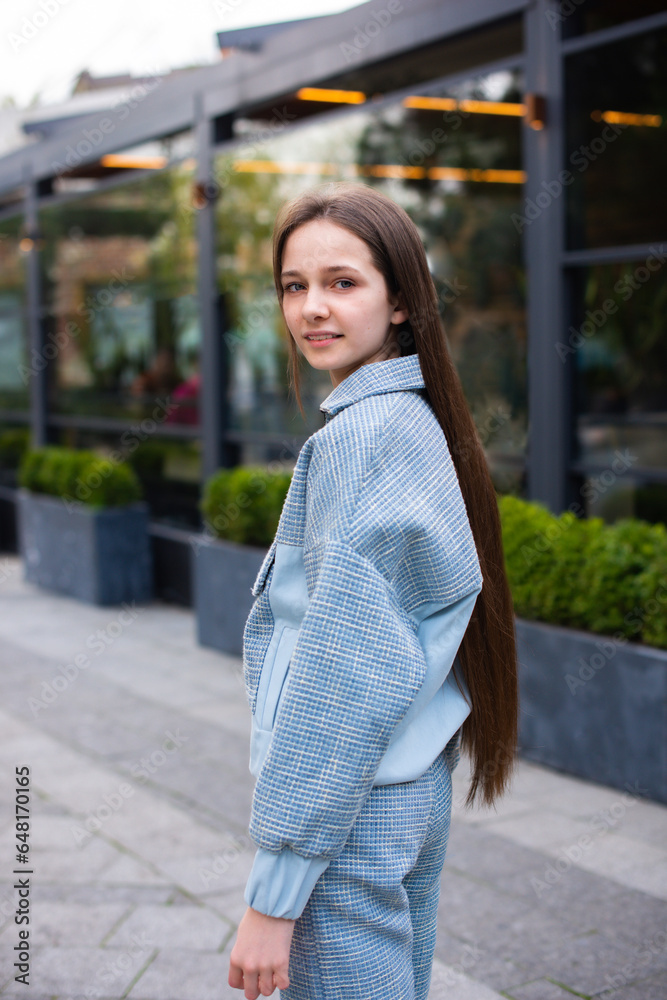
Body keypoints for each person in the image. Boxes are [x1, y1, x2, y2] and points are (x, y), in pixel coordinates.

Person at [228, 182, 518, 1000]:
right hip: (401, 788)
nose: (312, 308)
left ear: (400, 301)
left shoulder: (367, 435)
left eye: (342, 282)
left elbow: (345, 671)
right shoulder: (412, 418)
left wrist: (274, 895)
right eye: (294, 285)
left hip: (353, 812)